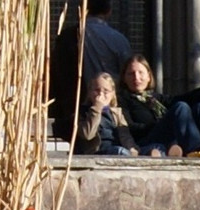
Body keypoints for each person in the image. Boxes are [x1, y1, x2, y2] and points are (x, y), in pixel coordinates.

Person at [117, 54, 200, 157]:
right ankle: (196, 148)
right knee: (180, 107)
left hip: (171, 136)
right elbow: (130, 128)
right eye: (131, 74)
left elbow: (183, 98)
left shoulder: (155, 98)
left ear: (148, 76)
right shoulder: (122, 100)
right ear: (124, 78)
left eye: (141, 73)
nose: (136, 78)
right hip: (146, 141)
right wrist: (161, 123)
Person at [48, 0, 135, 142]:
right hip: (110, 108)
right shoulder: (118, 39)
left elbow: (56, 74)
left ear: (82, 10)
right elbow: (127, 73)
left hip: (74, 108)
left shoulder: (67, 37)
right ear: (108, 12)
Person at [74, 73, 147, 156]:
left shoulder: (116, 113)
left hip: (117, 148)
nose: (101, 94)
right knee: (120, 151)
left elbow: (125, 135)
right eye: (97, 90)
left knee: (155, 148)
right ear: (90, 92)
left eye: (106, 91)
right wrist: (97, 109)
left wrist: (132, 148)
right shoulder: (83, 112)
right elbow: (87, 134)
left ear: (112, 94)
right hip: (98, 152)